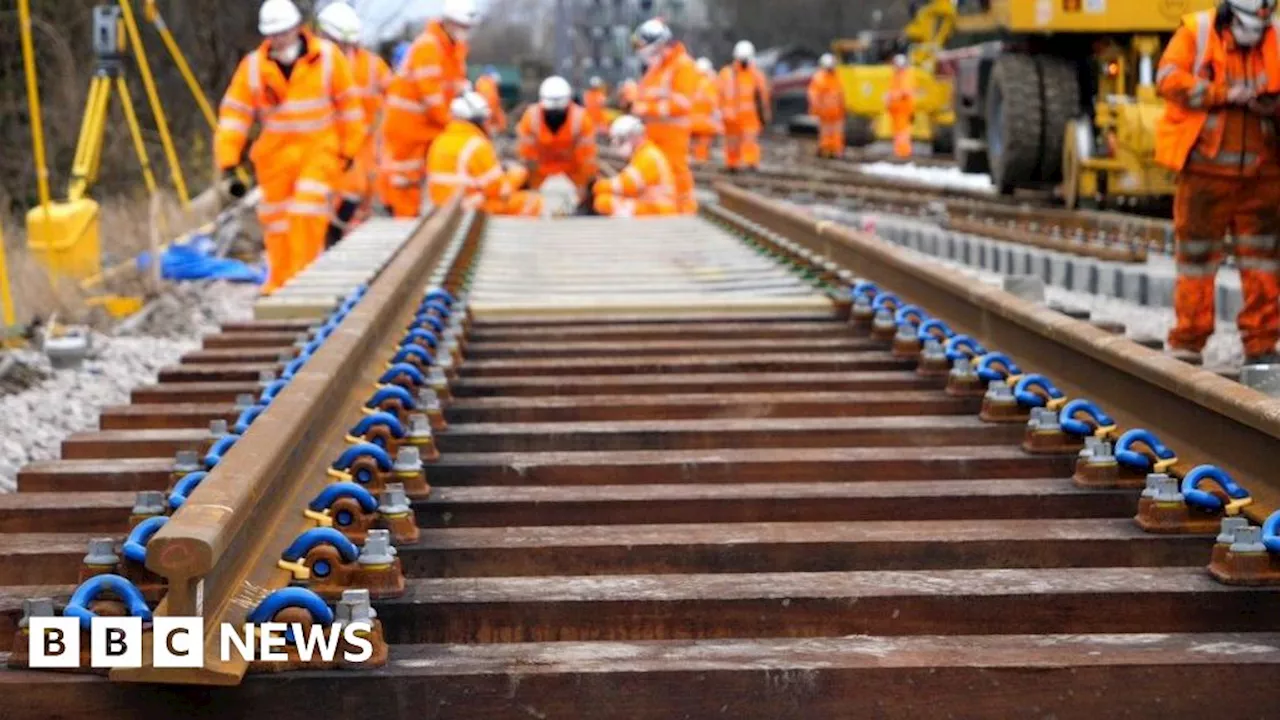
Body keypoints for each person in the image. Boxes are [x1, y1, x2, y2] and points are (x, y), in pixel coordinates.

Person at [1155, 0, 1280, 365]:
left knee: (1263, 261)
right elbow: (1168, 79)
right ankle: (1188, 342)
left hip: (1262, 174)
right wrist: (1222, 94)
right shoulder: (1198, 32)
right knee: (1196, 260)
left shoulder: (1275, 36)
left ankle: (1262, 342)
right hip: (1204, 173)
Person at [215, 0, 364, 294]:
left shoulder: (328, 59)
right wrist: (228, 161)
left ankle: (303, 280)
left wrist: (349, 149)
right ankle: (280, 282)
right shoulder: (254, 68)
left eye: (283, 32)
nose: (279, 39)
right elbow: (234, 115)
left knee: (306, 214)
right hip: (275, 158)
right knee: (277, 222)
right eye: (273, 34)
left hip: (318, 150)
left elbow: (349, 107)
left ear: (297, 28)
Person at [380, 0, 476, 218]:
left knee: (420, 175)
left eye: (467, 27)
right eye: (461, 26)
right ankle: (402, 219)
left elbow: (456, 85)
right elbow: (431, 94)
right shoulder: (429, 46)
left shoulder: (454, 49)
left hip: (427, 124)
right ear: (448, 23)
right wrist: (451, 123)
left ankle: (412, 216)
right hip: (408, 125)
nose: (464, 31)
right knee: (405, 179)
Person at [317, 2, 390, 247]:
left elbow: (395, 94)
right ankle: (331, 240)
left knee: (354, 195)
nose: (345, 50)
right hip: (326, 146)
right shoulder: (313, 65)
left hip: (362, 147)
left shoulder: (371, 65)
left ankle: (342, 241)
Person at [427, 92, 543, 216]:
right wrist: (517, 174)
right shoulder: (477, 145)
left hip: (442, 207)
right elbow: (499, 190)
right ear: (478, 120)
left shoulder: (438, 141)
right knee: (533, 201)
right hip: (469, 208)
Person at [632, 18, 700, 213]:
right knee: (657, 174)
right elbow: (643, 95)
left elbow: (683, 103)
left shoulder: (682, 65)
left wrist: (645, 109)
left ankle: (685, 211)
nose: (640, 50)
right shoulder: (656, 68)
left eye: (642, 44)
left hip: (673, 134)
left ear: (657, 44)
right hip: (653, 133)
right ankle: (665, 209)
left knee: (676, 173)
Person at [515, 76, 599, 198]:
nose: (554, 116)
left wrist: (585, 190)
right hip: (540, 175)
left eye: (558, 113)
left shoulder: (581, 120)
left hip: (573, 174)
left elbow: (586, 160)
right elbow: (527, 158)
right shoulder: (531, 118)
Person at [592, 115, 677, 217]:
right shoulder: (643, 153)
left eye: (620, 139)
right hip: (653, 206)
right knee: (604, 199)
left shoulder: (648, 156)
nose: (618, 144)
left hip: (659, 210)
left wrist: (598, 186)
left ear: (633, 136)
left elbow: (628, 184)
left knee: (604, 202)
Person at [719, 40, 771, 172]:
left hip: (749, 117)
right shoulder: (727, 73)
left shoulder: (755, 75)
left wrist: (764, 113)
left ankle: (750, 163)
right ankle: (733, 164)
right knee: (732, 144)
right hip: (731, 117)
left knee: (749, 142)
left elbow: (763, 96)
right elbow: (718, 93)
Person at [808, 53, 846, 159]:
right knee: (827, 133)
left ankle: (835, 151)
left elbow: (840, 95)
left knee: (835, 133)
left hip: (836, 112)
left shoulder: (836, 77)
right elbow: (814, 96)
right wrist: (816, 109)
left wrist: (843, 108)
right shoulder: (820, 78)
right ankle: (827, 150)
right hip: (825, 112)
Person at [691, 57, 722, 162]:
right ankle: (701, 160)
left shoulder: (691, 83)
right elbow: (714, 104)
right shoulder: (710, 83)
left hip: (691, 121)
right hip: (705, 122)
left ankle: (695, 160)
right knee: (703, 145)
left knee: (692, 144)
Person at [887, 54, 916, 159]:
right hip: (897, 111)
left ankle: (903, 152)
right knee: (899, 133)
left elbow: (905, 93)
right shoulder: (897, 76)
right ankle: (900, 152)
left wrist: (892, 96)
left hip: (902, 111)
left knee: (902, 133)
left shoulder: (905, 77)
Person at [475, 66, 508, 135]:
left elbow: (495, 107)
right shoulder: (486, 86)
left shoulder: (488, 85)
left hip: (487, 126)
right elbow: (490, 108)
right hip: (486, 127)